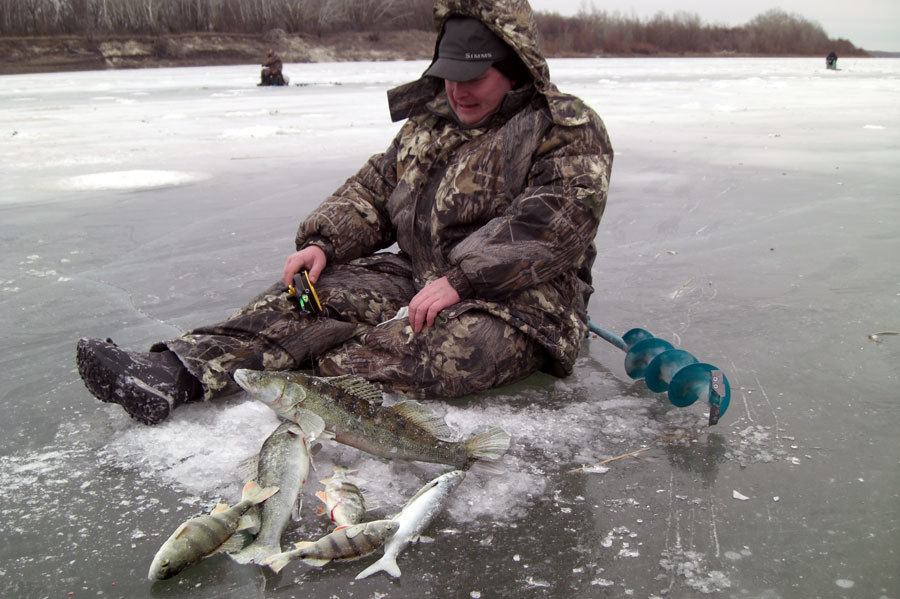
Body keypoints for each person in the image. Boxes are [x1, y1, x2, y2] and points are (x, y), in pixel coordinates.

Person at [76, 0, 614, 425]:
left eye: (473, 78)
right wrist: (324, 241)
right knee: (309, 298)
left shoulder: (565, 129)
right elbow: (377, 189)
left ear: (513, 69)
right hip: (417, 275)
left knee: (443, 353)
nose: (457, 91)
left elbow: (554, 222)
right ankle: (174, 373)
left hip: (522, 302)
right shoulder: (429, 125)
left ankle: (306, 384)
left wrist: (463, 279)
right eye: (449, 74)